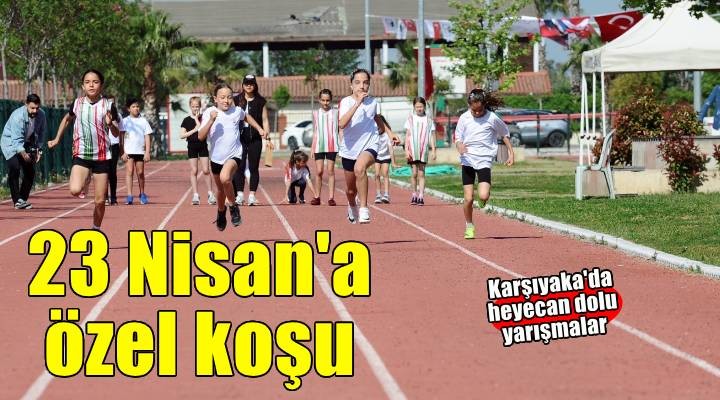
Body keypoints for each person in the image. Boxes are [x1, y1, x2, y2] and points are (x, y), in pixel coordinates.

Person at [48, 69, 120, 230]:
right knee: (75, 190)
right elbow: (67, 119)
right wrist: (57, 138)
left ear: (101, 85)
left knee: (100, 201)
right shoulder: (77, 103)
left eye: (95, 82)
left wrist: (110, 124)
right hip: (81, 154)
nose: (91, 85)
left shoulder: (108, 105)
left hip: (102, 156)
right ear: (82, 86)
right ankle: (86, 178)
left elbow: (116, 133)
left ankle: (96, 229)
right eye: (87, 82)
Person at [198, 83, 267, 231]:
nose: (226, 100)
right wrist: (211, 120)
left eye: (229, 97)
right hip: (216, 158)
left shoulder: (237, 111)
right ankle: (221, 212)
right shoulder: (209, 112)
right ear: (215, 99)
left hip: (234, 154)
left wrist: (259, 128)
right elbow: (200, 136)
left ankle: (233, 207)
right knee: (220, 190)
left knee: (225, 178)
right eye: (222, 97)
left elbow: (246, 117)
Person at [338, 68, 399, 224]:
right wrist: (357, 104)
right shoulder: (346, 102)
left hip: (370, 144)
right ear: (351, 85)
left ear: (369, 85)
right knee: (350, 191)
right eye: (357, 82)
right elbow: (342, 123)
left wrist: (390, 133)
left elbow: (377, 118)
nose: (362, 86)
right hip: (349, 149)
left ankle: (364, 208)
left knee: (360, 168)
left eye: (365, 83)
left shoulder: (373, 102)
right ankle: (352, 205)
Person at [454, 88, 515, 240]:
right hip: (467, 159)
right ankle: (469, 225)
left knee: (483, 195)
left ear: (484, 105)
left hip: (484, 160)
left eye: (479, 110)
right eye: (473, 110)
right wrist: (459, 145)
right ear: (469, 105)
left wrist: (511, 153)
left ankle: (483, 199)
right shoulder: (464, 118)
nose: (476, 113)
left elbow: (504, 134)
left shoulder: (492, 118)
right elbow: (458, 137)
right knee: (468, 198)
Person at [1, 93, 47, 209]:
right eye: (32, 108)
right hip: (10, 143)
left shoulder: (41, 115)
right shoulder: (18, 116)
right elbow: (16, 140)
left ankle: (22, 199)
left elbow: (41, 133)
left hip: (26, 143)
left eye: (37, 108)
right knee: (15, 167)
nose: (35, 111)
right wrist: (24, 154)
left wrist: (39, 150)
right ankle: (17, 200)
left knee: (30, 171)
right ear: (26, 104)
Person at [233, 74, 272, 206]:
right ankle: (239, 195)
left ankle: (252, 195)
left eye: (251, 83)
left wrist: (267, 136)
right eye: (246, 83)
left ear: (255, 85)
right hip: (240, 138)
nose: (249, 85)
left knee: (253, 167)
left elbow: (265, 120)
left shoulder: (261, 101)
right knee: (239, 166)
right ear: (243, 85)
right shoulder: (236, 99)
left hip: (255, 138)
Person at [180, 96, 215, 205]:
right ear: (190, 106)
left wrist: (197, 120)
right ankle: (195, 195)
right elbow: (182, 135)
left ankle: (210, 193)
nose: (195, 108)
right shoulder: (186, 120)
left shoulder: (204, 118)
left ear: (200, 107)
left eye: (197, 106)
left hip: (203, 145)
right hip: (192, 146)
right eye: (193, 106)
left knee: (206, 170)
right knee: (194, 170)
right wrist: (194, 130)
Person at [405, 96, 437, 206]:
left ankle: (421, 195)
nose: (419, 109)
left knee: (421, 173)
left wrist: (433, 150)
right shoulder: (410, 119)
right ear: (414, 107)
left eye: (421, 106)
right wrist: (406, 150)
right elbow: (407, 135)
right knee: (414, 173)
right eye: (417, 107)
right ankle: (414, 194)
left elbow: (431, 136)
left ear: (424, 107)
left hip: (423, 150)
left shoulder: (429, 120)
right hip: (412, 150)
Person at [309, 89, 339, 206]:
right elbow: (315, 131)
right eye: (323, 100)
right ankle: (317, 196)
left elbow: (340, 129)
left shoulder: (336, 112)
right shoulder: (316, 113)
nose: (325, 103)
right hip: (319, 145)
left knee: (330, 171)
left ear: (330, 100)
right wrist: (312, 147)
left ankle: (331, 198)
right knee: (319, 171)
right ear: (319, 100)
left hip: (332, 145)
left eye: (327, 100)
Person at [121, 98, 152, 205]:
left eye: (137, 106)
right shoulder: (125, 121)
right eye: (133, 107)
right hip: (128, 151)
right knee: (129, 172)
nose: (136, 108)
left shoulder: (143, 121)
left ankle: (142, 194)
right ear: (128, 109)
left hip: (140, 151)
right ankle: (129, 196)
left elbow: (147, 136)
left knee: (140, 173)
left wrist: (147, 152)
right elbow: (121, 137)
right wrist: (123, 152)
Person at [373, 115, 397, 204]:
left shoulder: (387, 135)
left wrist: (393, 162)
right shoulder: (374, 134)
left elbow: (391, 149)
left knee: (385, 173)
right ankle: (378, 194)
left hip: (386, 157)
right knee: (376, 175)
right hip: (377, 157)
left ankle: (386, 194)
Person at [105, 94, 124, 206]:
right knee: (103, 172)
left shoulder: (118, 116)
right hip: (103, 146)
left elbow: (121, 133)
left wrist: (122, 148)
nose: (110, 104)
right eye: (108, 102)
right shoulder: (100, 114)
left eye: (112, 103)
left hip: (114, 146)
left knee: (112, 172)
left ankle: (113, 197)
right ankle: (104, 197)